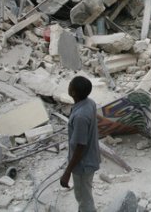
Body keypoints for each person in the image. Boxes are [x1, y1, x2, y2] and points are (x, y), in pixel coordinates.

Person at [60, 76, 101, 212]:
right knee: (85, 194)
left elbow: (80, 147)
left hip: (83, 165)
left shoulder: (80, 116)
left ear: (73, 93)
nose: (69, 85)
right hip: (90, 158)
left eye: (70, 84)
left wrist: (67, 171)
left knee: (84, 198)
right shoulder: (90, 103)